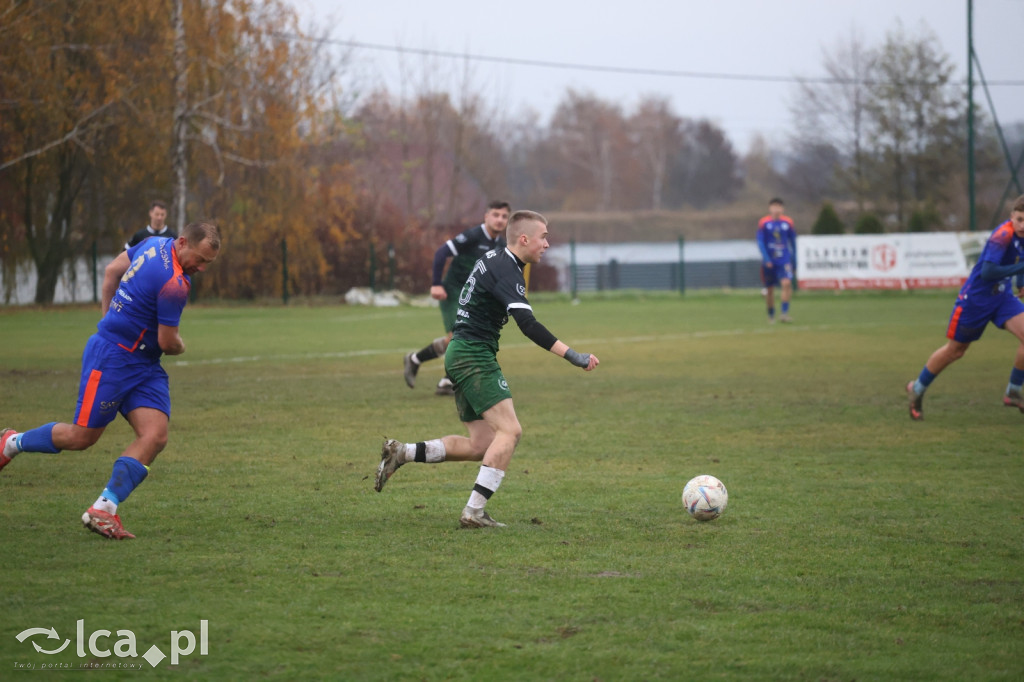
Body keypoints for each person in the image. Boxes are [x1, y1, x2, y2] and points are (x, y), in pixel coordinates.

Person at [377, 210, 600, 528]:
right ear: (524, 239)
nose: (547, 244)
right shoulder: (506, 269)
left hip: (462, 352)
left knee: (480, 444)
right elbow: (528, 325)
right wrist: (573, 355)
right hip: (473, 355)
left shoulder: (498, 259)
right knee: (511, 431)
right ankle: (474, 512)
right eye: (544, 237)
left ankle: (402, 453)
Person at [1, 221, 221, 538]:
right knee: (81, 438)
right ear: (183, 242)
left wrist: (107, 318)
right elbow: (168, 342)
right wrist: (181, 346)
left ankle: (104, 509)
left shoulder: (153, 243)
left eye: (207, 263)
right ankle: (10, 443)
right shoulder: (174, 283)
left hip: (143, 365)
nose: (200, 268)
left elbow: (110, 272)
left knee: (155, 435)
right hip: (113, 360)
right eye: (199, 259)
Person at [907, 195, 1024, 420]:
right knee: (955, 351)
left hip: (1002, 298)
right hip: (976, 300)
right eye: (1019, 219)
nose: (1023, 225)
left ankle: (1013, 391)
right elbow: (989, 272)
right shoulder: (1002, 235)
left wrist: (1021, 282)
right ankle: (917, 389)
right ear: (1011, 217)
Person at [403, 200, 511, 395]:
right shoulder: (472, 236)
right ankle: (446, 379)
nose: (499, 219)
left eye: (504, 216)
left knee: (463, 337)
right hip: (453, 291)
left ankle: (419, 362)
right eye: (495, 214)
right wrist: (436, 283)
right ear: (486, 216)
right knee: (459, 335)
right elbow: (441, 252)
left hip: (473, 297)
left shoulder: (501, 245)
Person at [757, 198, 797, 323]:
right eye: (774, 206)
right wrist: (766, 258)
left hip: (784, 259)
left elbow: (793, 242)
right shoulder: (764, 222)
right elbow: (760, 242)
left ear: (782, 208)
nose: (776, 209)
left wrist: (794, 259)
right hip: (770, 261)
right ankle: (771, 315)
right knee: (770, 290)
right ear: (770, 208)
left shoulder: (788, 222)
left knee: (786, 284)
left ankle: (784, 313)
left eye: (779, 206)